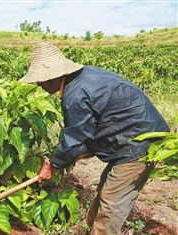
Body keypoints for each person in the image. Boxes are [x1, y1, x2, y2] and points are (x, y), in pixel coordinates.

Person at [20, 42, 169, 234]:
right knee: (107, 185)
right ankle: (89, 227)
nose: (38, 85)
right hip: (132, 134)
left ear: (53, 76)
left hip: (140, 142)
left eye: (40, 80)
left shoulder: (75, 95)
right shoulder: (83, 78)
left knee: (112, 201)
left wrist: (53, 164)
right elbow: (90, 128)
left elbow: (75, 138)